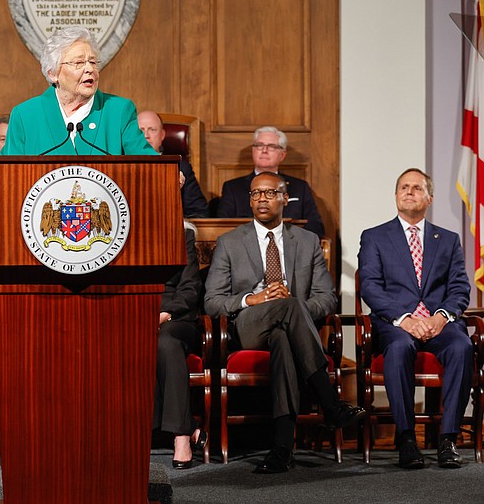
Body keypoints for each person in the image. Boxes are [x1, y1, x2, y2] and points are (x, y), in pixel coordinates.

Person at [204, 171, 363, 473]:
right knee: (286, 311)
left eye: (269, 192)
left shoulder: (307, 241)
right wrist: (253, 299)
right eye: (255, 194)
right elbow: (212, 301)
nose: (261, 198)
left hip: (290, 329)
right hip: (247, 326)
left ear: (284, 199)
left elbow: (326, 298)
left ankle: (281, 448)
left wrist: (293, 309)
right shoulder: (229, 242)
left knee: (283, 337)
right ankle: (330, 403)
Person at [358, 168, 472, 470]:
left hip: (439, 323)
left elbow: (460, 287)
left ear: (429, 198)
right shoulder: (374, 237)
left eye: (417, 188)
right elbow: (369, 286)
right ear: (396, 196)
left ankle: (448, 439)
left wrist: (442, 316)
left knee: (462, 347)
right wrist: (404, 319)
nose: (409, 192)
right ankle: (406, 438)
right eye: (404, 187)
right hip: (396, 325)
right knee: (398, 349)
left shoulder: (447, 239)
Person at [1, 26, 157, 156]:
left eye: (93, 62)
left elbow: (150, 163)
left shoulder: (119, 111)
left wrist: (170, 175)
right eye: (79, 62)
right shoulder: (25, 115)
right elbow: (5, 173)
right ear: (53, 73)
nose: (89, 69)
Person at [154, 222, 207, 469]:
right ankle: (191, 426)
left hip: (176, 317)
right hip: (133, 311)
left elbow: (190, 289)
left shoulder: (181, 234)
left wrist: (165, 313)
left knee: (165, 342)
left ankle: (182, 437)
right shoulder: (122, 230)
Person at [216, 126, 324, 236]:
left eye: (271, 146)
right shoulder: (233, 188)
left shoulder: (300, 187)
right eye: (259, 145)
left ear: (282, 154)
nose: (264, 150)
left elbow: (316, 226)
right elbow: (223, 227)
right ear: (253, 151)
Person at [137, 111, 209, 218]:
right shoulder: (119, 168)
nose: (146, 136)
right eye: (140, 131)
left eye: (152, 130)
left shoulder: (181, 167)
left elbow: (199, 212)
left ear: (162, 135)